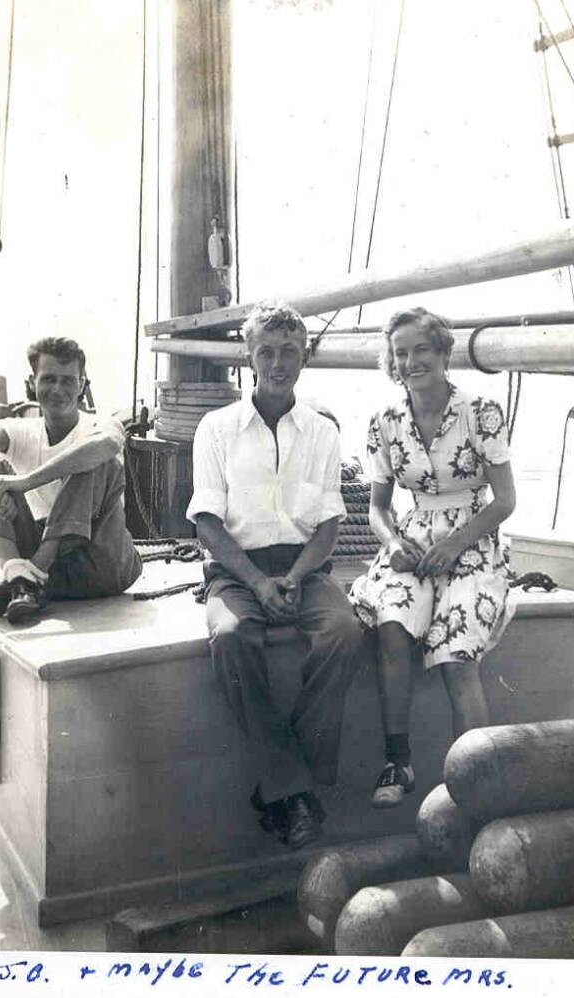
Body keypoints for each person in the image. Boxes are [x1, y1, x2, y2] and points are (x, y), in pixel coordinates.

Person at [187, 300, 366, 850]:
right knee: (234, 636)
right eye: (267, 351)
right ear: (249, 356)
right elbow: (208, 525)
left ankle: (284, 785)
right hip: (235, 572)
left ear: (304, 356)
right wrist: (259, 583)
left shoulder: (321, 432)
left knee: (343, 631)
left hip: (304, 570)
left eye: (290, 351)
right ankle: (295, 787)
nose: (278, 362)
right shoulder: (216, 428)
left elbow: (330, 525)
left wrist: (291, 577)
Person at [349, 308, 516, 809]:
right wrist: (394, 544)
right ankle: (397, 761)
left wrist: (455, 545)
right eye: (401, 353)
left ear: (444, 354)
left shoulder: (480, 411)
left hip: (473, 541)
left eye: (422, 349)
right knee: (394, 624)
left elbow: (505, 500)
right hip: (413, 541)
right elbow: (378, 509)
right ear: (391, 362)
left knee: (455, 651)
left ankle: (474, 779)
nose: (411, 361)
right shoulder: (385, 422)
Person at [0, 336, 142, 625]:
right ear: (32, 382)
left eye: (68, 381)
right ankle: (17, 575)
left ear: (82, 386)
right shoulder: (20, 431)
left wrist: (23, 483)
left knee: (96, 458)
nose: (58, 390)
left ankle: (31, 577)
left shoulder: (101, 425)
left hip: (102, 563)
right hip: (54, 569)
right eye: (49, 379)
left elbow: (108, 445)